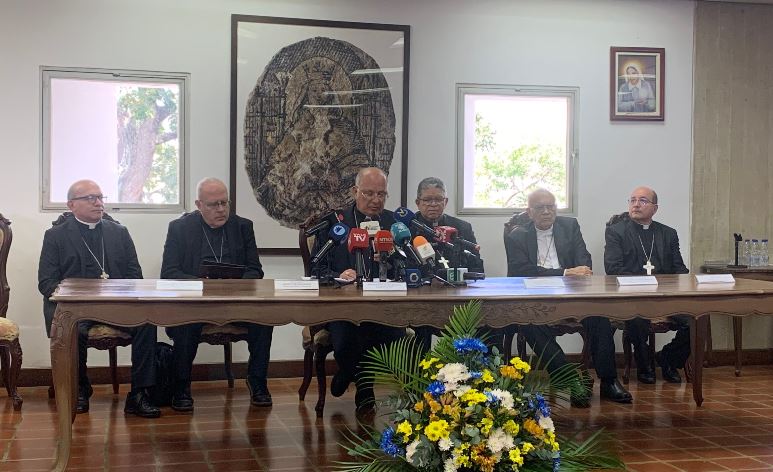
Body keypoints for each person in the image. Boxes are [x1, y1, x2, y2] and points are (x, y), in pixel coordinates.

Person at [38, 179, 159, 418]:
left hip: (116, 307)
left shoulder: (119, 233)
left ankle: (139, 394)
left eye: (100, 197)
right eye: (90, 198)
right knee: (75, 330)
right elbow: (46, 283)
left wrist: (120, 297)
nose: (98, 203)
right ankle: (80, 389)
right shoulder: (55, 236)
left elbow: (135, 276)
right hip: (77, 309)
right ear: (71, 204)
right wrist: (77, 297)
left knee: (146, 324)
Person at [506, 189, 632, 405]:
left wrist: (577, 273)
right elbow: (520, 270)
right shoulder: (516, 233)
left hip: (571, 293)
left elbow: (584, 261)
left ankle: (609, 381)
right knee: (530, 323)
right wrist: (563, 272)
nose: (547, 212)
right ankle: (571, 379)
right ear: (529, 212)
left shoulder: (570, 226)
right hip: (535, 295)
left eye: (551, 206)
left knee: (599, 316)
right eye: (540, 208)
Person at [161, 178, 274, 410]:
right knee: (184, 325)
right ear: (198, 204)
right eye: (213, 204)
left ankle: (257, 381)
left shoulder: (243, 226)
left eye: (225, 203)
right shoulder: (180, 228)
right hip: (196, 306)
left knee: (265, 319)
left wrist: (232, 285)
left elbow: (255, 270)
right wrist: (202, 285)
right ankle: (181, 387)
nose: (221, 209)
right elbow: (169, 273)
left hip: (236, 304)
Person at [322, 167, 404, 413]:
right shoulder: (336, 223)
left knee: (392, 337)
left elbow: (409, 266)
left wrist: (390, 262)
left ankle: (355, 377)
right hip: (342, 308)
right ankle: (354, 378)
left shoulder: (394, 224)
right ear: (355, 191)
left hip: (383, 306)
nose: (375, 200)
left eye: (381, 194)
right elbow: (319, 269)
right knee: (347, 340)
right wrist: (339, 276)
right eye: (369, 193)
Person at [604, 186, 689, 384]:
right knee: (637, 317)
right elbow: (613, 268)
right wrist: (644, 284)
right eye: (632, 200)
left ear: (655, 208)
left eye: (642, 200)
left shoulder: (668, 233)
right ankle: (643, 365)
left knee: (696, 319)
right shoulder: (616, 232)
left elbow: (679, 268)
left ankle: (668, 358)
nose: (636, 204)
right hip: (632, 296)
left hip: (666, 297)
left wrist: (687, 289)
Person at [414, 177, 483, 271]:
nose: (433, 204)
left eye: (438, 199)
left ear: (445, 202)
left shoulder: (463, 228)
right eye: (427, 200)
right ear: (418, 203)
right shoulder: (408, 229)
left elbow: (477, 267)